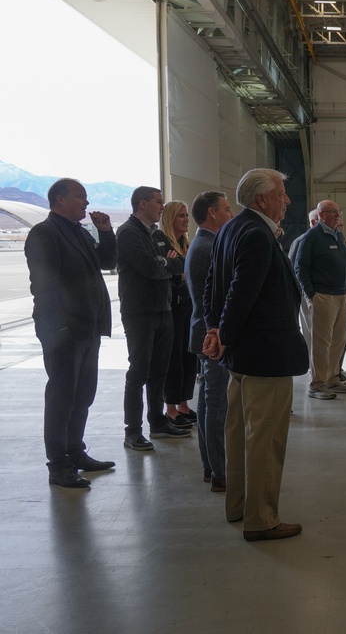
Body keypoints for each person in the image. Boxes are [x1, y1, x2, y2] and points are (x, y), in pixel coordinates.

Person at [204, 168, 308, 541]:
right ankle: (261, 518)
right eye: (282, 193)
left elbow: (214, 287)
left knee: (238, 434)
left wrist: (215, 330)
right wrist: (224, 333)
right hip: (265, 354)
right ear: (262, 199)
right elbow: (239, 294)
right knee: (264, 439)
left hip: (242, 356)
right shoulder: (257, 234)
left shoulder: (231, 229)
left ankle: (238, 506)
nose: (287, 200)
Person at [25, 178, 118, 488]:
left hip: (88, 327)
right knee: (62, 397)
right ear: (60, 199)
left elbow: (107, 262)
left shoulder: (79, 231)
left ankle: (75, 451)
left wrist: (106, 233)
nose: (86, 203)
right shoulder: (44, 234)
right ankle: (58, 465)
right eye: (80, 197)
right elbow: (44, 286)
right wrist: (59, 327)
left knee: (83, 394)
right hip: (64, 331)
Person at [117, 186, 190, 450]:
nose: (162, 206)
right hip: (140, 312)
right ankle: (132, 431)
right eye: (159, 202)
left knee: (160, 370)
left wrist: (167, 263)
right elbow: (151, 267)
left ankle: (157, 421)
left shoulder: (154, 234)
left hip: (163, 309)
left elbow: (176, 264)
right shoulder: (128, 232)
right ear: (143, 203)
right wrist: (167, 264)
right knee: (139, 372)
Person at [184, 190, 234, 492]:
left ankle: (210, 465)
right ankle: (220, 471)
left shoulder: (203, 243)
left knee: (206, 404)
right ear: (212, 213)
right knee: (215, 406)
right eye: (227, 209)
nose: (231, 214)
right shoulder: (209, 245)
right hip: (210, 336)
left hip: (203, 332)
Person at [294, 200, 346, 399]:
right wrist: (311, 294)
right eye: (332, 212)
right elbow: (300, 267)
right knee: (322, 343)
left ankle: (332, 378)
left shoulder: (338, 234)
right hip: (323, 296)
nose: (337, 215)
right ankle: (317, 383)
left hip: (342, 294)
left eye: (338, 212)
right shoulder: (312, 237)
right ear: (321, 216)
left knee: (338, 341)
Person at [159, 200, 198, 428]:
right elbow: (173, 275)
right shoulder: (165, 246)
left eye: (186, 215)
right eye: (181, 216)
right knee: (173, 359)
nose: (185, 220)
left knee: (187, 357)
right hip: (173, 308)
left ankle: (183, 402)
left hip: (188, 308)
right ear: (170, 219)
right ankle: (170, 407)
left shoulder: (186, 244)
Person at [288, 208, 319, 368]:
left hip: (327, 296)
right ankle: (312, 367)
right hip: (308, 295)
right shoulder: (301, 241)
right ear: (313, 222)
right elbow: (293, 269)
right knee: (311, 333)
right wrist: (307, 294)